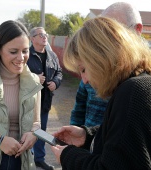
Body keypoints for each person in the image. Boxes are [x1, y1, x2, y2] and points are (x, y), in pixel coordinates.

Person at [51, 16, 151, 170]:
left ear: (101, 58)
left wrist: (68, 156)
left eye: (83, 69)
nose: (84, 80)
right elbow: (127, 137)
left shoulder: (132, 93)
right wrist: (88, 135)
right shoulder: (140, 84)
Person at [0, 20, 43, 170]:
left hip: (22, 161)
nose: (21, 58)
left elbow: (36, 122)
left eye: (25, 50)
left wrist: (34, 134)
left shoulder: (34, 82)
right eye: (14, 52)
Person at [70, 1, 143, 128]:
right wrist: (81, 137)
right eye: (103, 33)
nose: (105, 42)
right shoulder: (92, 70)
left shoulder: (139, 87)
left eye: (113, 33)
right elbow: (79, 110)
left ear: (137, 30)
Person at [27, 27, 62, 170]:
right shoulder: (25, 54)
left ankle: (39, 159)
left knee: (41, 130)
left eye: (45, 34)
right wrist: (34, 79)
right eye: (40, 35)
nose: (44, 37)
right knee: (27, 130)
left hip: (45, 101)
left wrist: (55, 82)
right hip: (28, 101)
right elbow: (16, 74)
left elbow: (59, 72)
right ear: (32, 39)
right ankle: (27, 159)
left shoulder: (52, 55)